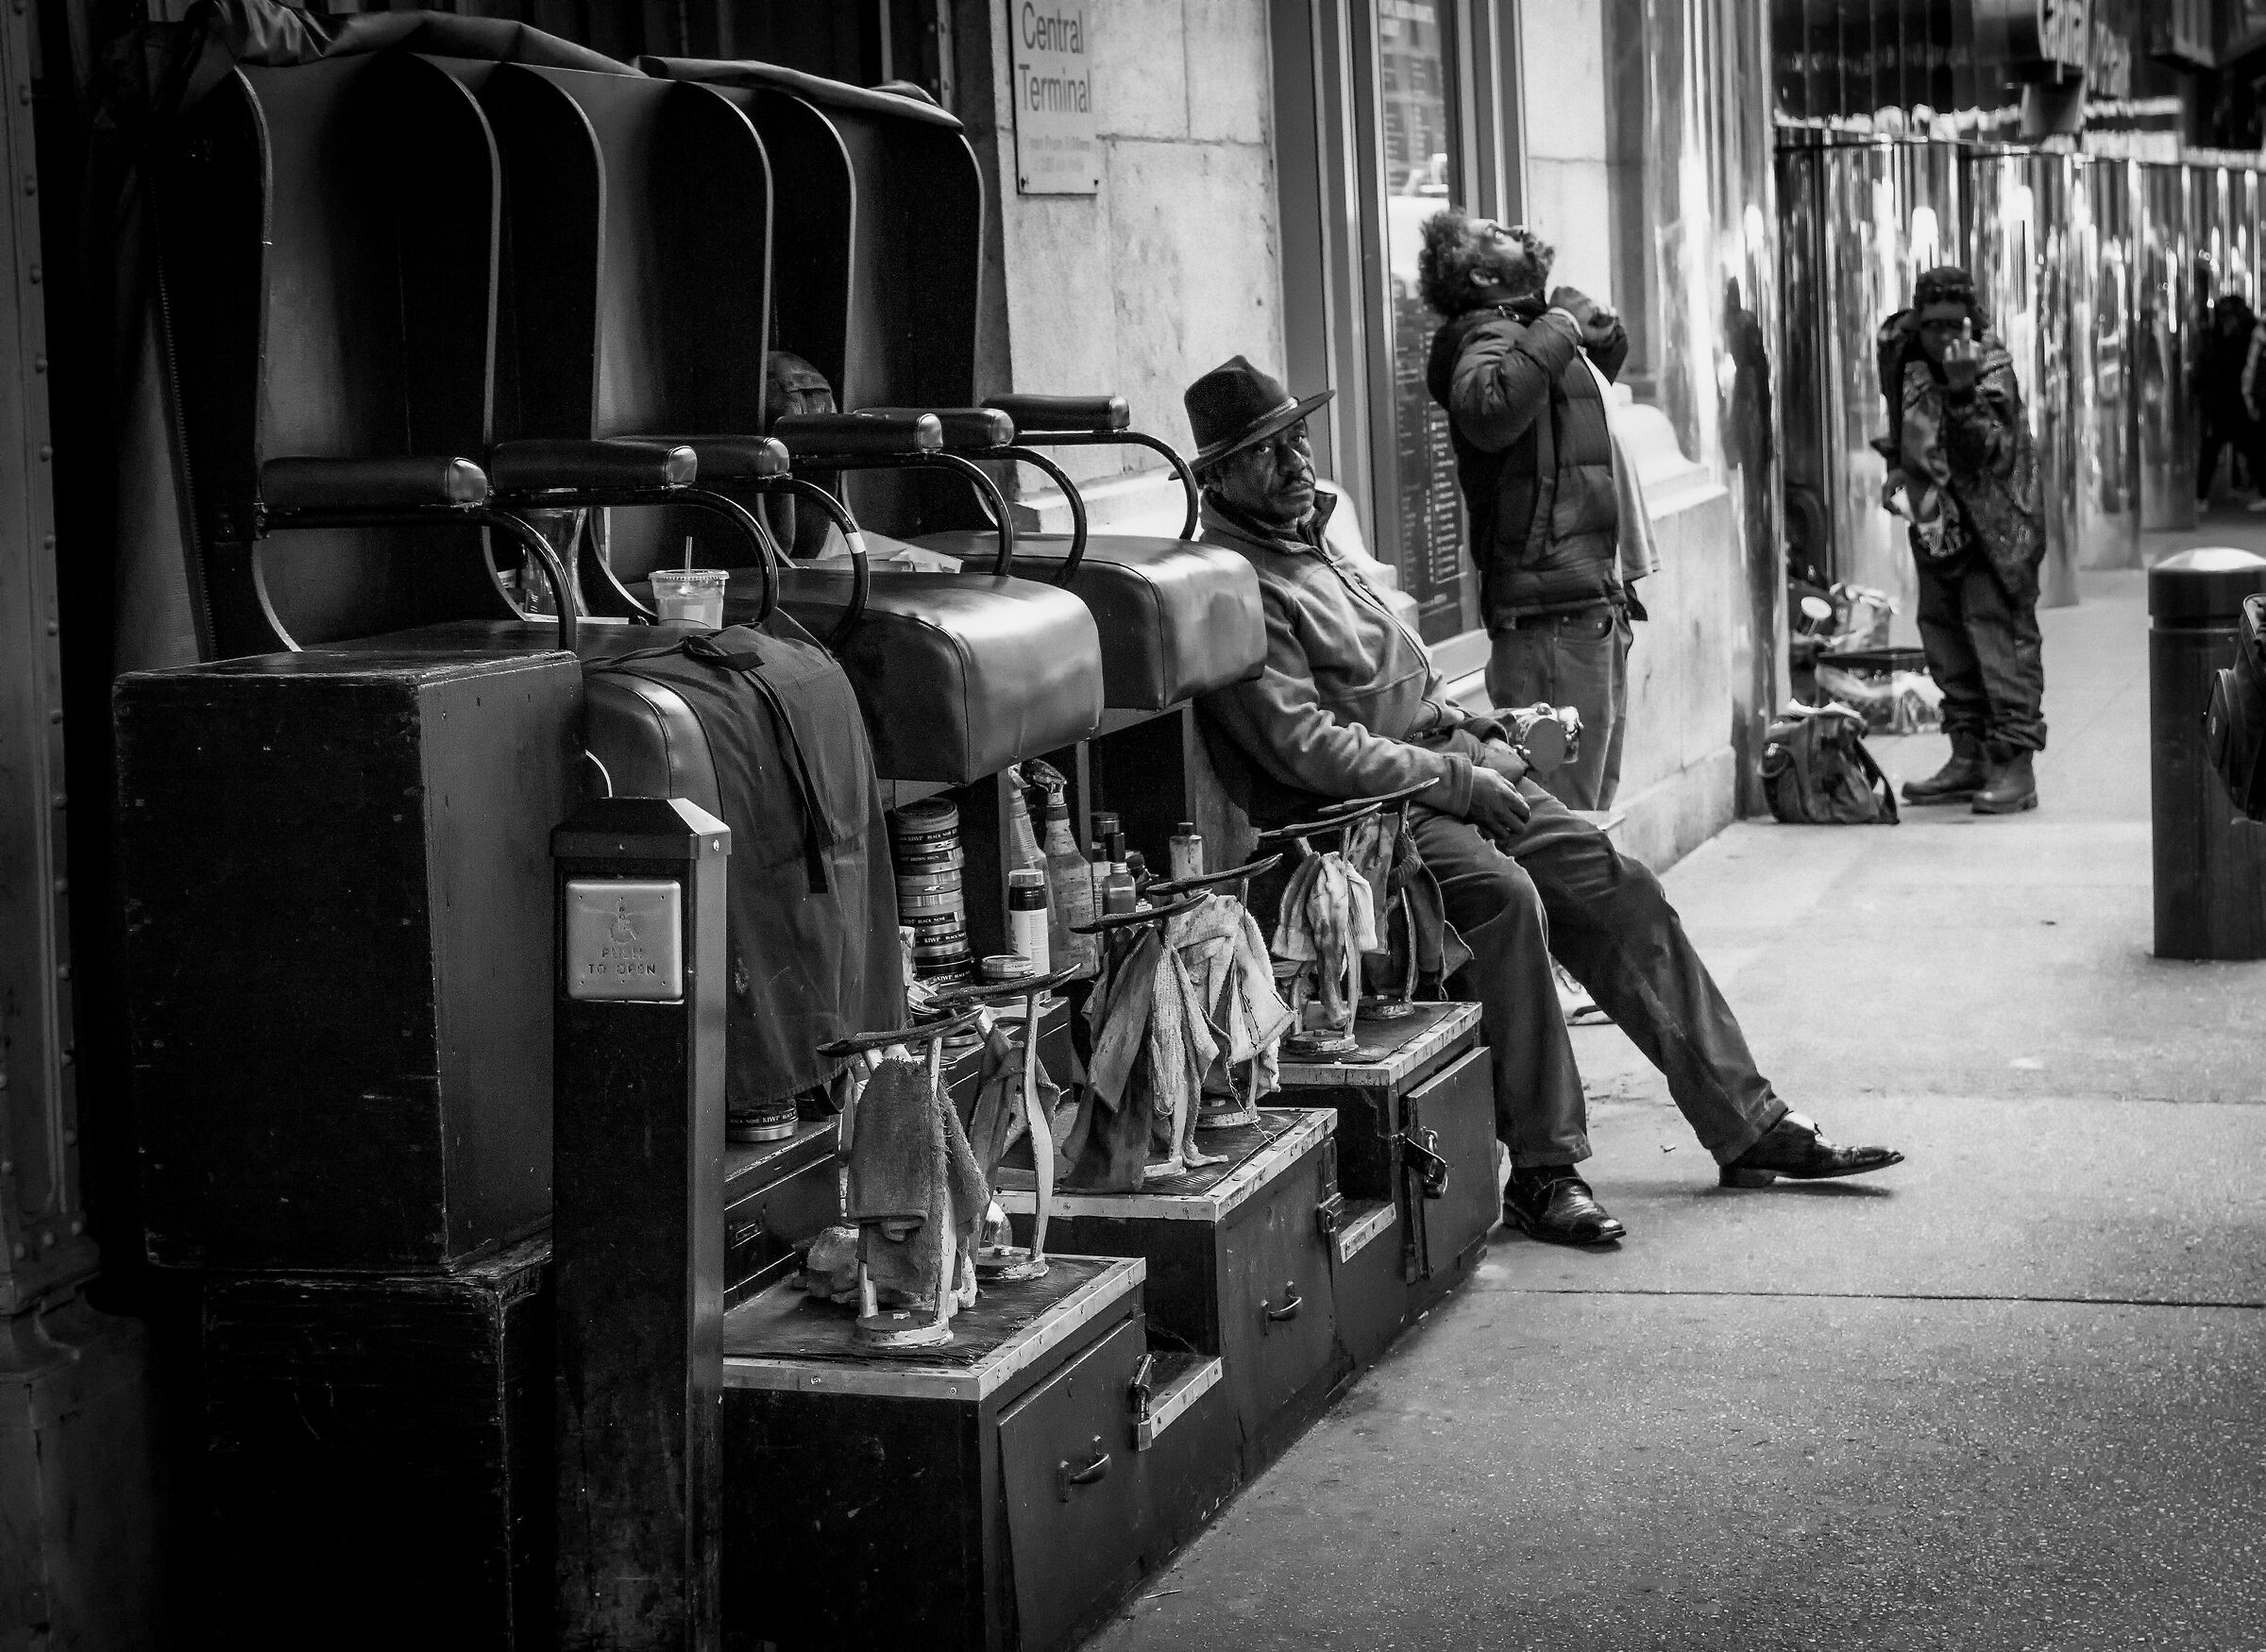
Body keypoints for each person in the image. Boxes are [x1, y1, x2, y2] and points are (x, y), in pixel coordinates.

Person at [1185, 355, 1902, 1248]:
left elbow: (1401, 686)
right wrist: (1459, 777)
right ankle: (1544, 1167)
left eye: (1298, 438)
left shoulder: (1313, 542)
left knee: (1618, 885)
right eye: (1268, 451)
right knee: (1502, 899)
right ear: (1216, 475)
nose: (1298, 462)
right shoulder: (1239, 579)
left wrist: (1480, 733)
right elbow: (1306, 746)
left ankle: (1746, 1121)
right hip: (1368, 820)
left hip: (1449, 771)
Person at [1417, 211, 1632, 812]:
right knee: (1564, 821)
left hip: (1584, 604)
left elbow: (1566, 410)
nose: (1513, 227)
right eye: (1494, 233)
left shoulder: (1525, 330)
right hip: (1549, 615)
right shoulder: (1484, 335)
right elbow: (1491, 412)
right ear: (1485, 274)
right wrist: (1561, 324)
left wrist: (1602, 334)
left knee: (1589, 814)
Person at [1873, 266, 2046, 815]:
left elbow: (1987, 454)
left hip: (1993, 530)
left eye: (1956, 323)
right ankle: (1968, 753)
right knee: (1944, 636)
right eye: (1934, 324)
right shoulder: (1904, 354)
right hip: (1935, 523)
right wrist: (1899, 467)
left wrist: (1963, 389)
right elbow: (1902, 419)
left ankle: (2014, 762)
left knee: (1998, 638)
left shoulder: (1991, 367)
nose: (1945, 336)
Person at [2195, 294, 2264, 514]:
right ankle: (2201, 495)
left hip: (2235, 403)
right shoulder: (2226, 338)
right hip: (2227, 403)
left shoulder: (2235, 337)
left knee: (2251, 450)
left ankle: (2203, 495)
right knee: (2223, 449)